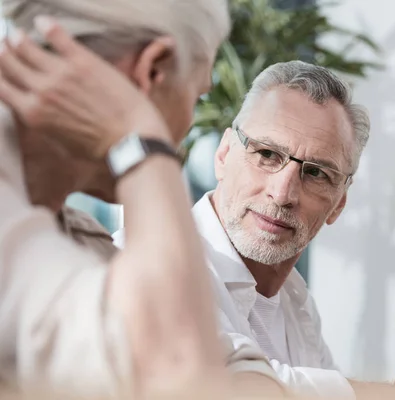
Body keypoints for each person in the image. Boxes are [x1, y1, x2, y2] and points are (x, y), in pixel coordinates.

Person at [138, 60, 395, 398]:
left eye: (316, 173)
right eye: (267, 154)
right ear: (224, 155)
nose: (283, 193)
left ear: (339, 204)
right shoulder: (152, 267)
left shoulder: (295, 303)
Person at [0, 0, 285, 396]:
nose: (187, 131)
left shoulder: (78, 237)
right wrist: (140, 140)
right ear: (152, 70)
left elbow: (228, 364)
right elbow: (180, 368)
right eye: (197, 96)